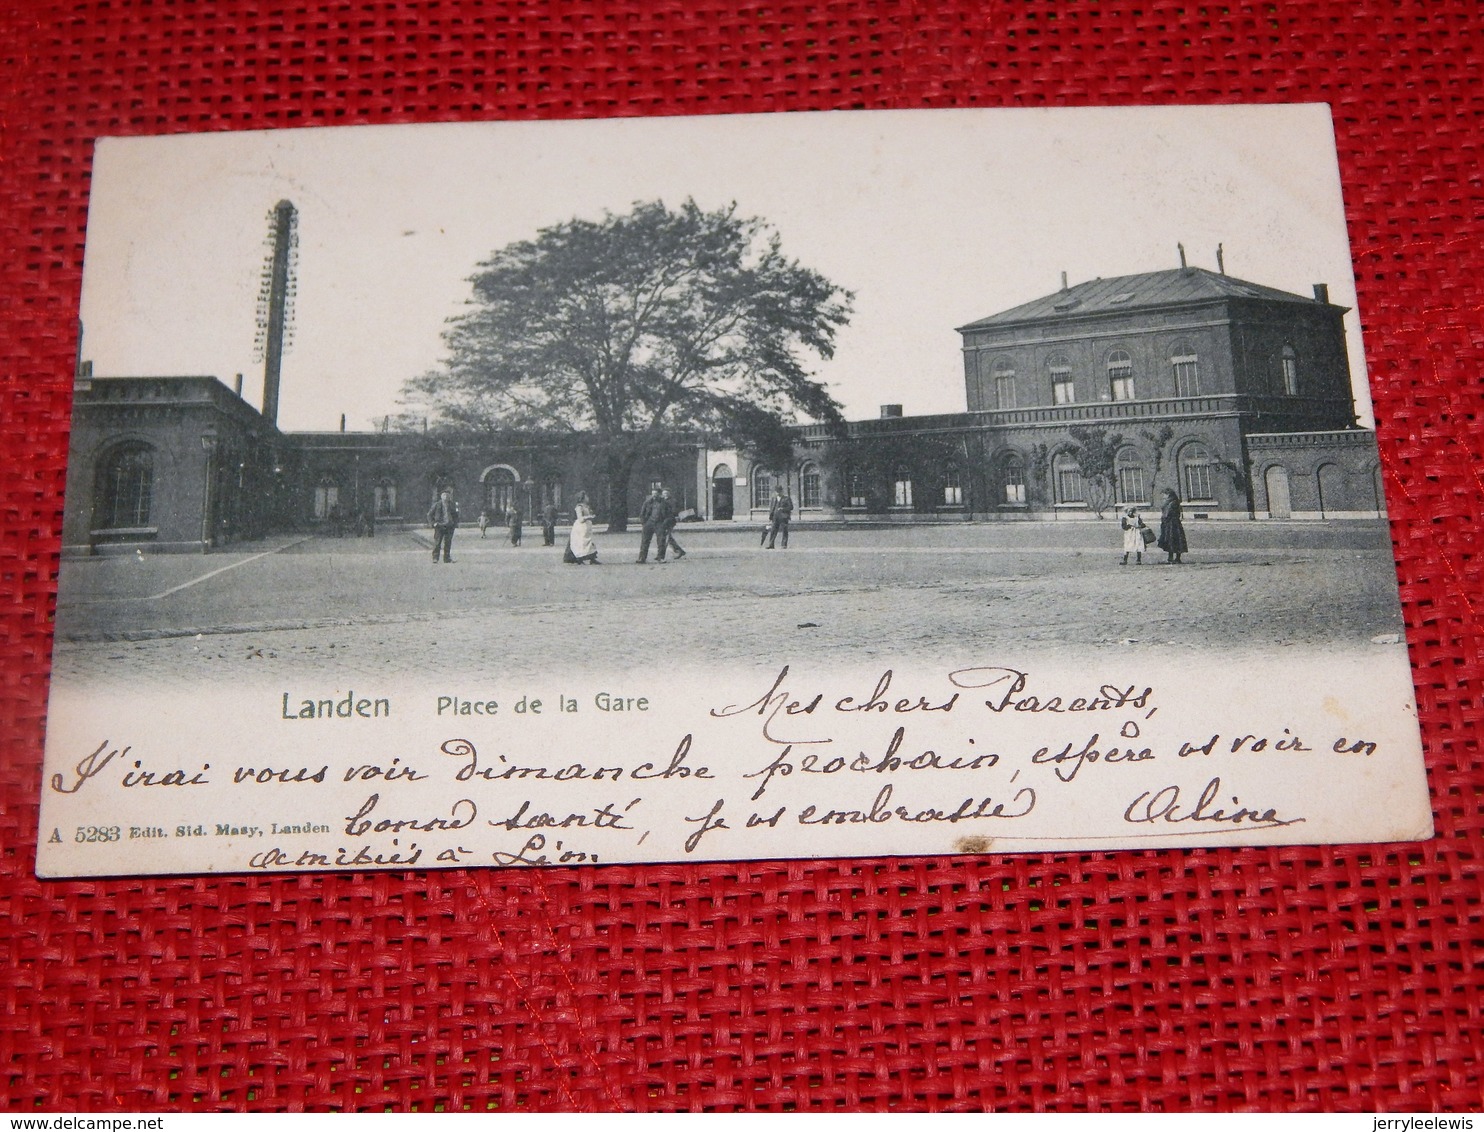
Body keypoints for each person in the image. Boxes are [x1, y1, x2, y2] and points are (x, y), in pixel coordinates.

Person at [564, 491, 599, 564]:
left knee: (589, 543)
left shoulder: (586, 507)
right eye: (586, 497)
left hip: (587, 527)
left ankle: (592, 558)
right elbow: (580, 519)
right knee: (582, 543)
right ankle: (579, 558)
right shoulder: (579, 507)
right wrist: (589, 517)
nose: (588, 498)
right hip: (581, 527)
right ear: (582, 498)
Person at [636, 485, 668, 563]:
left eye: (656, 494)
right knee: (645, 541)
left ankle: (660, 557)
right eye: (653, 494)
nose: (654, 495)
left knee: (661, 541)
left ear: (659, 494)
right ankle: (642, 558)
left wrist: (665, 523)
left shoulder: (664, 503)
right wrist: (644, 522)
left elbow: (669, 514)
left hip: (659, 523)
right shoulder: (647, 502)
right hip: (649, 523)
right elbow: (642, 513)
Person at [428, 488, 459, 563]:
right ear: (441, 496)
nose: (446, 497)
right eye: (444, 495)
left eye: (447, 495)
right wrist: (433, 523)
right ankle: (435, 558)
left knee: (448, 543)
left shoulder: (452, 505)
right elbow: (429, 514)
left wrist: (455, 523)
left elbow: (456, 515)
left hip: (449, 526)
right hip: (439, 526)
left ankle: (447, 558)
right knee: (437, 543)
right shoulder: (437, 504)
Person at [1158, 488, 1188, 564]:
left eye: (1164, 494)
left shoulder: (1172, 503)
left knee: (1173, 540)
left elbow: (1168, 514)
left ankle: (1174, 558)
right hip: (1172, 524)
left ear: (1168, 494)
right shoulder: (1173, 502)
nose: (1163, 496)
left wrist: (1164, 519)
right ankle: (1172, 558)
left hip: (1171, 524)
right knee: (1173, 540)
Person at [660, 489, 687, 560]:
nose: (665, 495)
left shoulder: (672, 501)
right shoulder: (662, 501)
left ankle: (663, 555)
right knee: (668, 538)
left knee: (666, 537)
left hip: (669, 521)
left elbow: (674, 511)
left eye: (666, 493)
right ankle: (679, 550)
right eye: (663, 493)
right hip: (664, 521)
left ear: (669, 494)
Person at [765, 483, 793, 549]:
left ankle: (784, 545)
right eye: (776, 491)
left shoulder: (786, 498)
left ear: (781, 491)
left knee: (784, 530)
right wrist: (770, 516)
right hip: (775, 517)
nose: (778, 493)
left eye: (779, 491)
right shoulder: (774, 499)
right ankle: (771, 545)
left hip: (783, 517)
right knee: (773, 530)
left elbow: (791, 507)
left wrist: (783, 509)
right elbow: (772, 508)